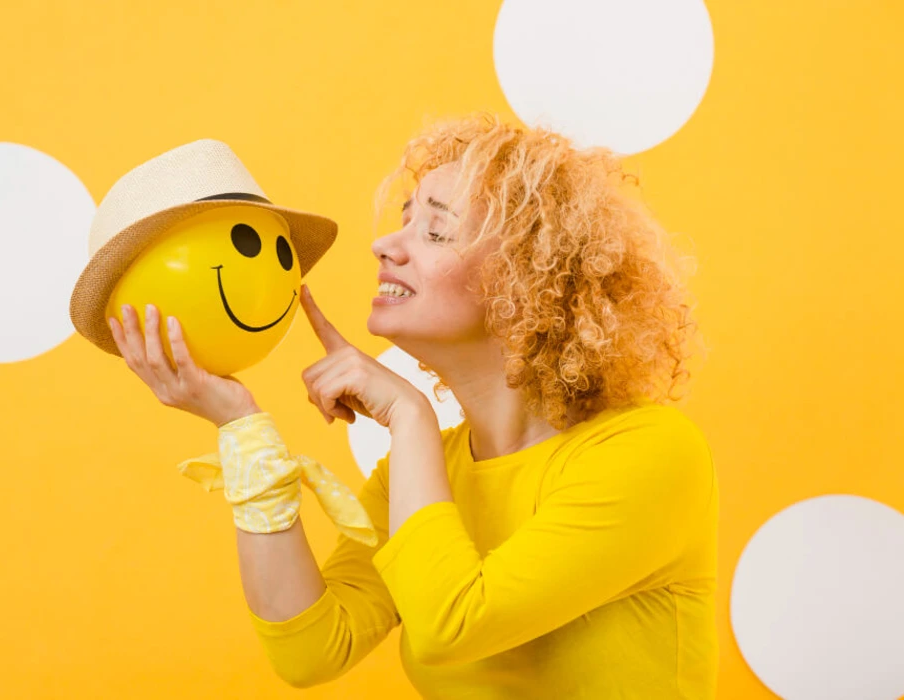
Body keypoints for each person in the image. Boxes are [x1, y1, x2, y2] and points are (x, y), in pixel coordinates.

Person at [108, 113, 718, 699]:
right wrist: (241, 428)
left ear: (525, 277)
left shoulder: (651, 453)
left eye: (434, 230)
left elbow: (453, 624)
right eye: (403, 220)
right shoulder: (423, 476)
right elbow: (311, 649)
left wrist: (410, 414)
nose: (383, 245)